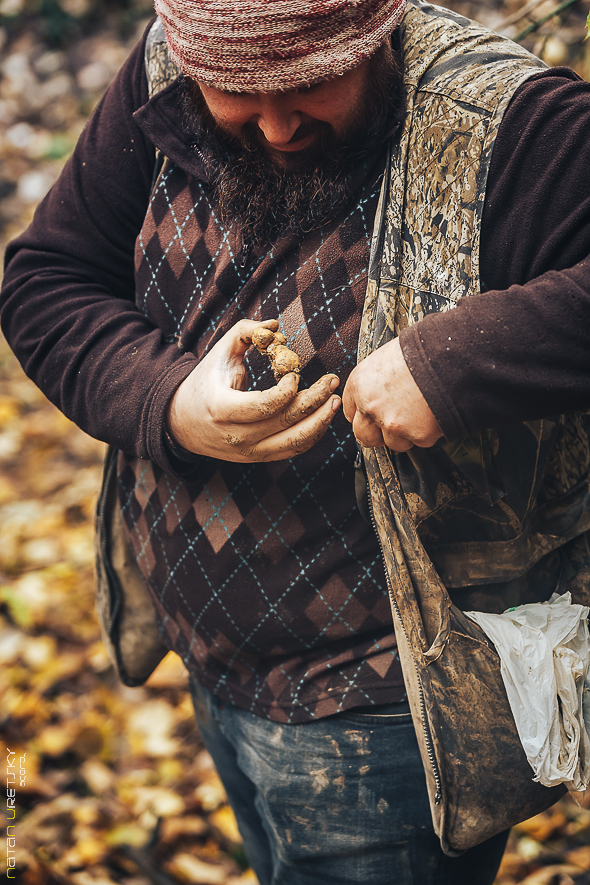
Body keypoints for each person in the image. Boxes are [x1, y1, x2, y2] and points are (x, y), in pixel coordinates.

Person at [2, 0, 590, 881]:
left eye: (313, 82)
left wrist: (455, 364)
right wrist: (169, 402)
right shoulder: (166, 68)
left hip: (393, 718)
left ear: (378, 32)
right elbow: (45, 281)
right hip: (214, 670)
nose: (276, 126)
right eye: (237, 92)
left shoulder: (519, 127)